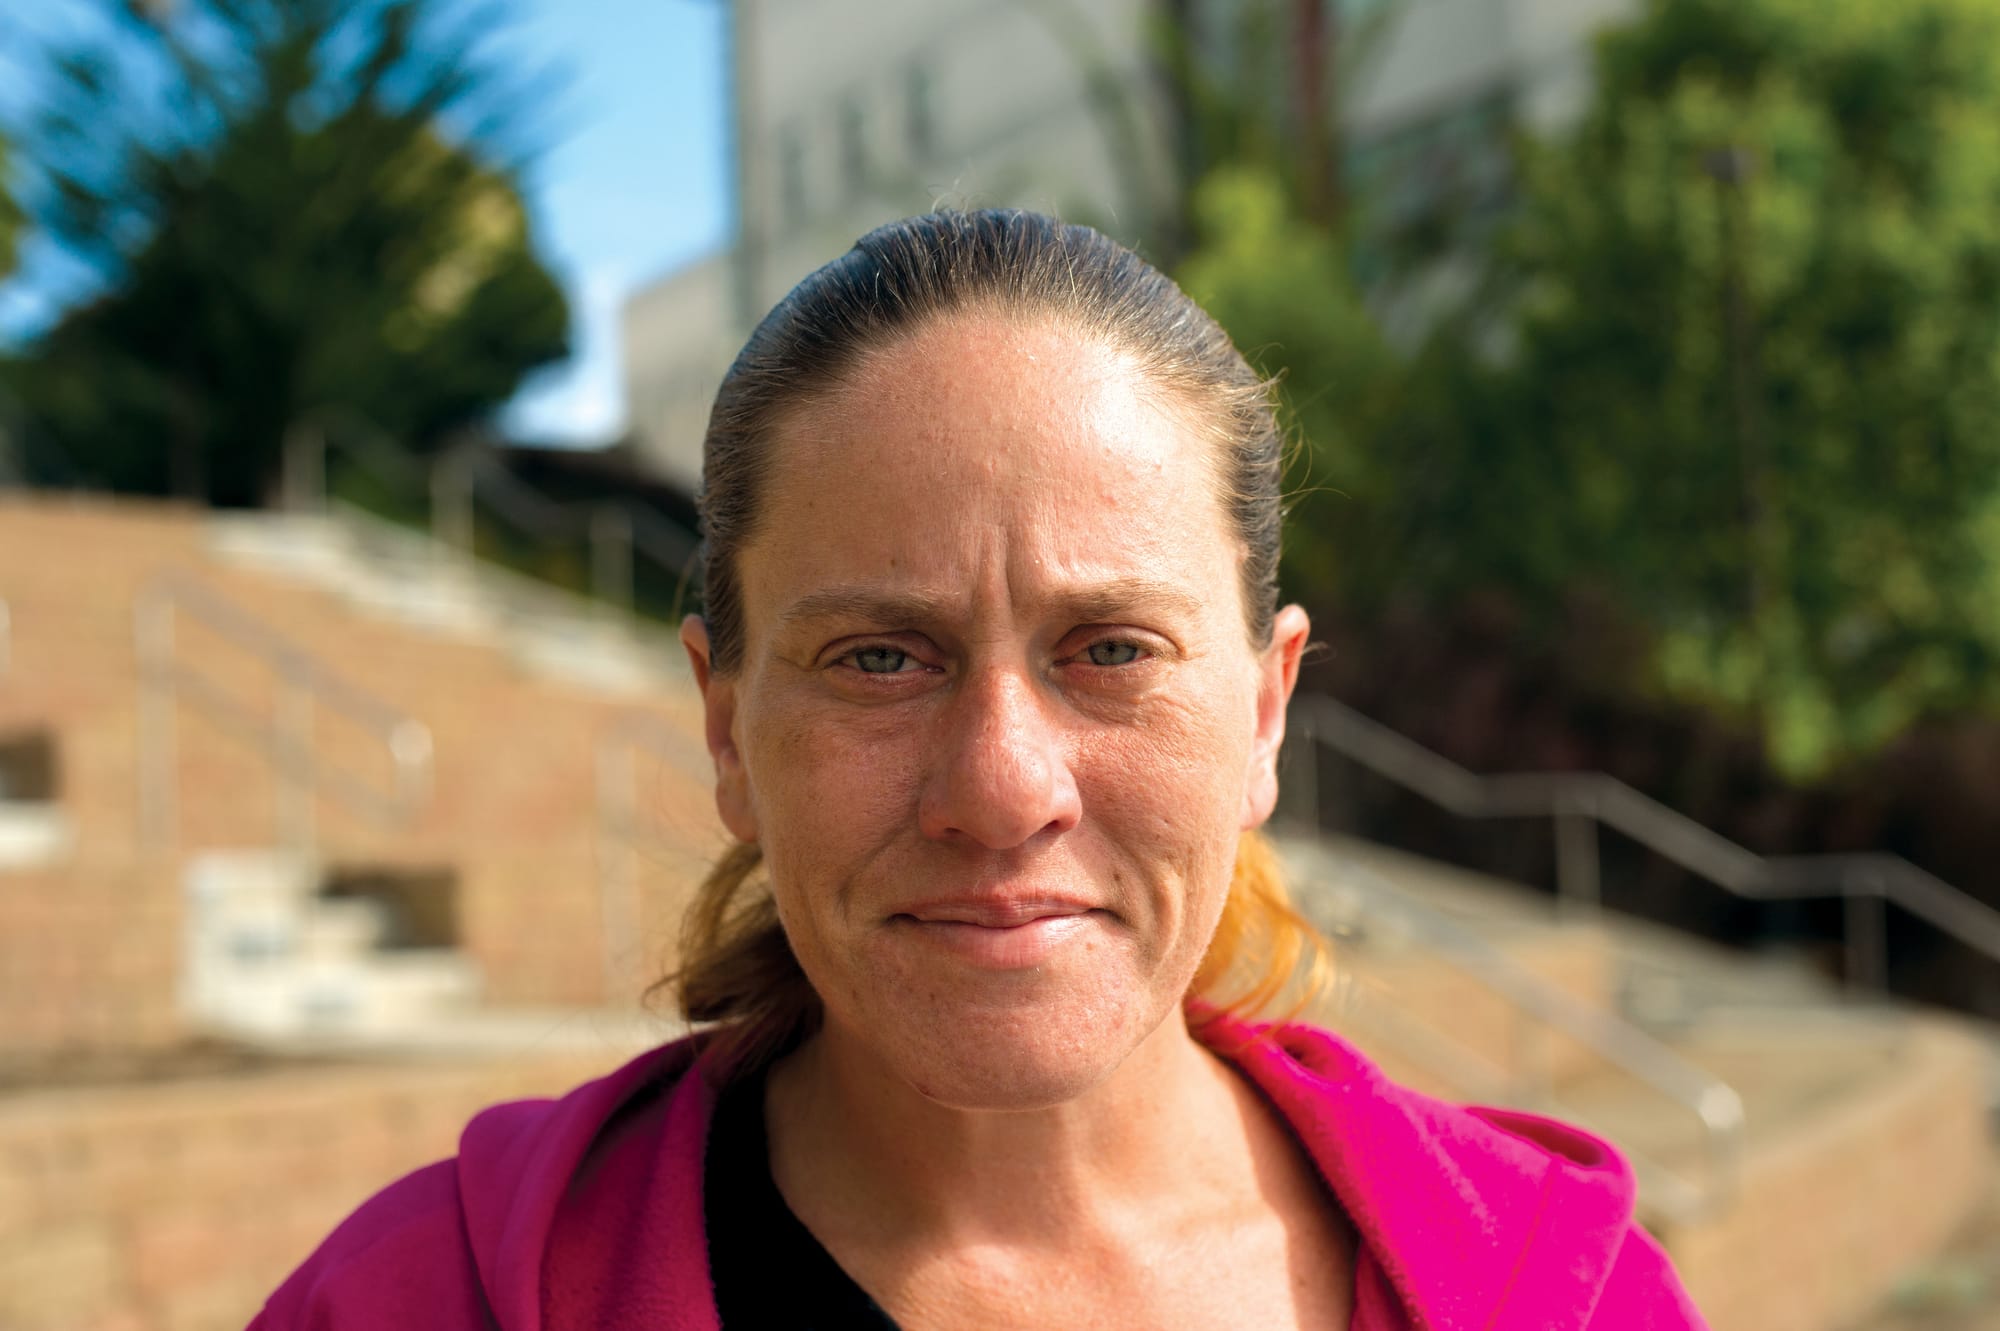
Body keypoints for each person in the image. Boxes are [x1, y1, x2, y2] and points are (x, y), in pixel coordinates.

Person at [251, 210, 1708, 1329]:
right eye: (881, 658)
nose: (1005, 789)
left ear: (1266, 711)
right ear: (724, 725)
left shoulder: (1557, 1295)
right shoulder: (413, 1302)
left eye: (1112, 650)